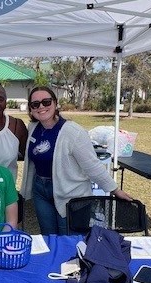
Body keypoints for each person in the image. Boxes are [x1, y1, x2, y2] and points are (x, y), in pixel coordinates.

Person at [20, 86, 132, 236]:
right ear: (31, 109)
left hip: (70, 193)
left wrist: (115, 189)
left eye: (46, 102)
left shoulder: (73, 132)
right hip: (41, 189)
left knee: (69, 238)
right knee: (49, 237)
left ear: (55, 103)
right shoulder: (33, 128)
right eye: (35, 104)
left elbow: (92, 165)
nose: (41, 107)